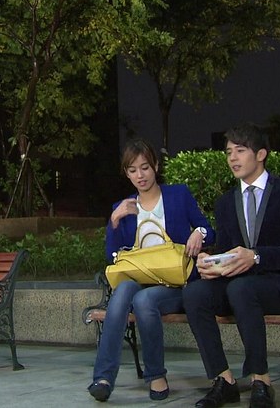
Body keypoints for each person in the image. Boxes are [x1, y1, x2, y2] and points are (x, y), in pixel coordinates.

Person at [183, 122, 280, 408]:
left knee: (241, 288)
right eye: (229, 152)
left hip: (278, 286)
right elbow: (227, 251)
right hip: (237, 287)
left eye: (240, 151)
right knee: (194, 293)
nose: (233, 158)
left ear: (261, 154)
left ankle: (261, 381)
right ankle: (224, 380)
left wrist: (255, 256)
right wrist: (211, 262)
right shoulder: (225, 203)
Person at [88, 138, 215, 403]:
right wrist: (114, 221)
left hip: (175, 283)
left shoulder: (178, 195)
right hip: (139, 280)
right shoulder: (123, 207)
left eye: (145, 167)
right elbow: (113, 257)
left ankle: (156, 374)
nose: (140, 175)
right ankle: (103, 379)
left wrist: (199, 233)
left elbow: (209, 230)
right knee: (123, 291)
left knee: (144, 299)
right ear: (126, 174)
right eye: (133, 170)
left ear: (155, 166)